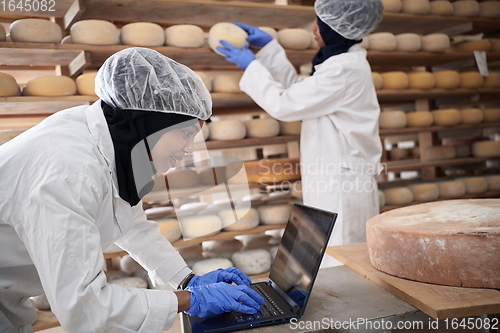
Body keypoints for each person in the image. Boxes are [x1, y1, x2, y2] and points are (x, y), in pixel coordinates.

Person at [0, 47, 263, 333]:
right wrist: (191, 300)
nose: (189, 149)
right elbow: (85, 307)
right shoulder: (68, 171)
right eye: (187, 133)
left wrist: (185, 280)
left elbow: (130, 224)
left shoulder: (111, 142)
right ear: (150, 122)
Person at [217, 0, 384, 267]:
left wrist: (251, 66)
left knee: (342, 267)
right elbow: (297, 92)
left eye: (321, 21)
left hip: (343, 185)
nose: (313, 26)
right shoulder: (337, 63)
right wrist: (270, 49)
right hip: (333, 180)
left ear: (338, 28)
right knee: (329, 263)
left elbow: (285, 105)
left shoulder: (344, 69)